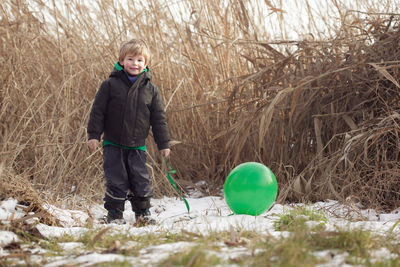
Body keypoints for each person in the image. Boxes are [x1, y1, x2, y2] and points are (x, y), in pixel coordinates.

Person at [87, 39, 171, 225]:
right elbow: (98, 111)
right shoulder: (110, 85)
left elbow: (158, 119)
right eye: (131, 59)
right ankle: (115, 214)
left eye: (140, 60)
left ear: (146, 64)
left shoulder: (151, 89)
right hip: (113, 143)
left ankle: (143, 213)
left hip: (137, 144)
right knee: (115, 178)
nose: (135, 64)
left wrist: (163, 143)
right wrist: (94, 135)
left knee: (140, 179)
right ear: (121, 61)